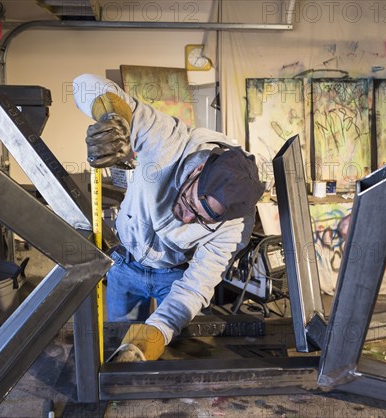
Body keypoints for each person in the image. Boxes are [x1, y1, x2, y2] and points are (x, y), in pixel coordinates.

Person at [73, 74, 265, 361]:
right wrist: (112, 118)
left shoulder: (235, 227)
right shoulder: (169, 141)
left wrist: (151, 338)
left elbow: (195, 286)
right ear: (197, 171)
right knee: (114, 341)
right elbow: (84, 83)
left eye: (201, 220)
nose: (187, 218)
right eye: (189, 201)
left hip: (175, 276)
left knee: (171, 352)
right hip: (126, 265)